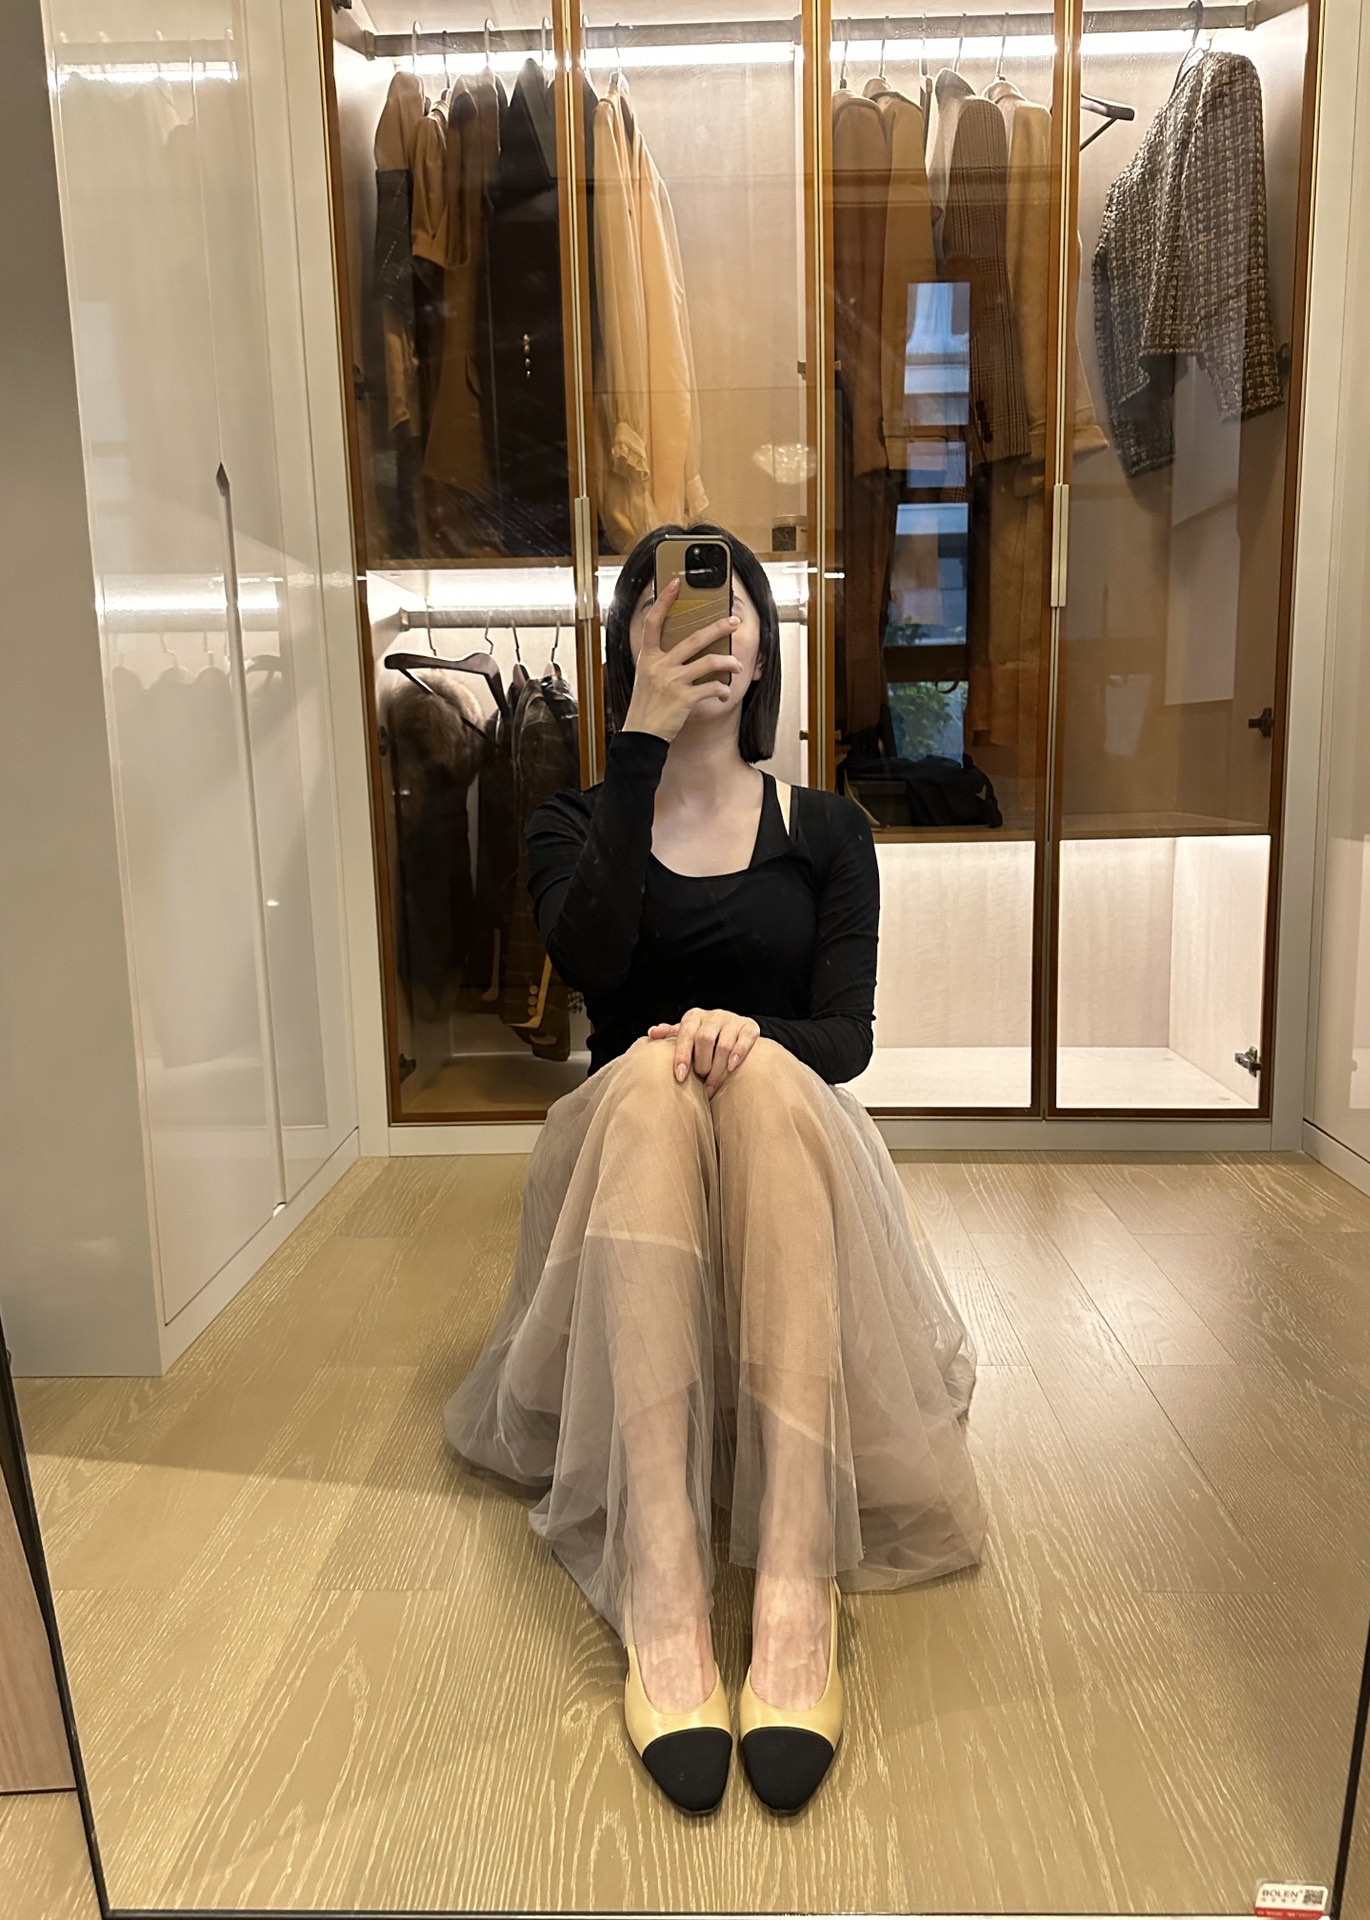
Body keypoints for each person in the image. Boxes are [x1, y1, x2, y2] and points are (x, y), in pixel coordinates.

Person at [442, 523, 988, 1817]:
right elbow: (591, 965)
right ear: (632, 639)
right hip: (625, 1157)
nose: (711, 629)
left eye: (734, 608)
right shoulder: (572, 823)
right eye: (678, 610)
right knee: (645, 1079)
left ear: (764, 645)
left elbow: (846, 1039)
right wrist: (637, 745)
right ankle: (667, 1573)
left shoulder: (830, 829)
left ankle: (795, 1573)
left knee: (764, 1075)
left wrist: (746, 1035)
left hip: (786, 1145)